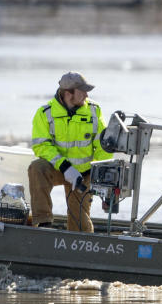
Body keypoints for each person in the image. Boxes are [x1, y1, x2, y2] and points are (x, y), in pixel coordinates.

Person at [28, 71, 111, 232]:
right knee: (37, 168)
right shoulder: (45, 113)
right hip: (59, 169)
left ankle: (81, 247)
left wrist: (101, 182)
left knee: (80, 224)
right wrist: (66, 167)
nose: (87, 95)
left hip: (84, 175)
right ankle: (44, 223)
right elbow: (41, 146)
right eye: (82, 91)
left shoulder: (94, 111)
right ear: (68, 94)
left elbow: (103, 147)